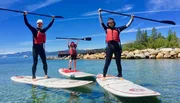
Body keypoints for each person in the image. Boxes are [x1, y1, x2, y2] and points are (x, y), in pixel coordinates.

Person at [98, 8, 134, 80]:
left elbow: (127, 25)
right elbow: (101, 22)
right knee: (107, 62)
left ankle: (120, 75)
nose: (110, 23)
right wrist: (99, 13)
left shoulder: (118, 29)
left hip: (117, 47)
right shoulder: (106, 29)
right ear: (108, 24)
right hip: (109, 47)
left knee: (118, 63)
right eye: (109, 23)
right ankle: (104, 76)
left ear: (114, 23)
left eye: (112, 22)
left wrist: (131, 19)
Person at [23, 11, 55, 81]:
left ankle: (46, 75)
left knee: (45, 62)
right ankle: (33, 76)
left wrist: (53, 19)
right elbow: (27, 24)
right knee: (35, 62)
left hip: (41, 49)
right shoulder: (34, 30)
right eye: (39, 23)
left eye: (41, 24)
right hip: (35, 48)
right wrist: (25, 15)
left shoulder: (43, 31)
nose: (40, 25)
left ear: (42, 24)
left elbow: (49, 26)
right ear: (37, 24)